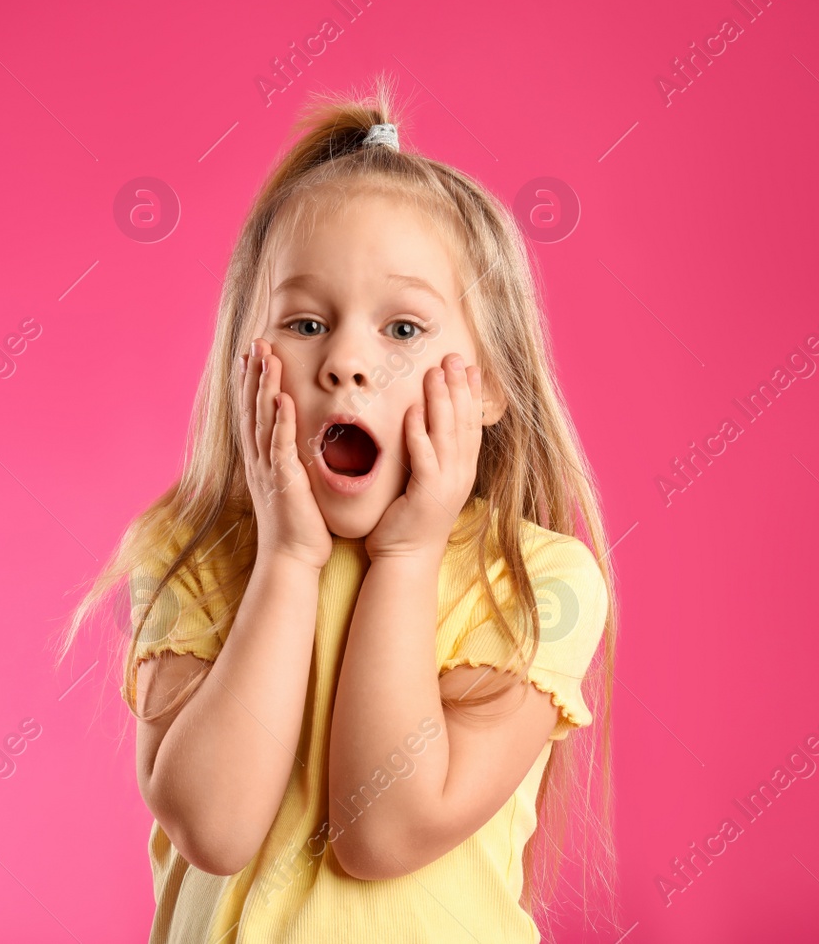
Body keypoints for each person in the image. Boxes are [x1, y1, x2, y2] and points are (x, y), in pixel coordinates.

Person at [55, 75, 619, 942]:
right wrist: (284, 559)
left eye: (402, 329)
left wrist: (406, 558)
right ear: (246, 360)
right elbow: (214, 824)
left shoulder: (539, 582)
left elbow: (382, 828)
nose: (347, 362)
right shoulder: (191, 555)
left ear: (491, 386)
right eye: (306, 323)